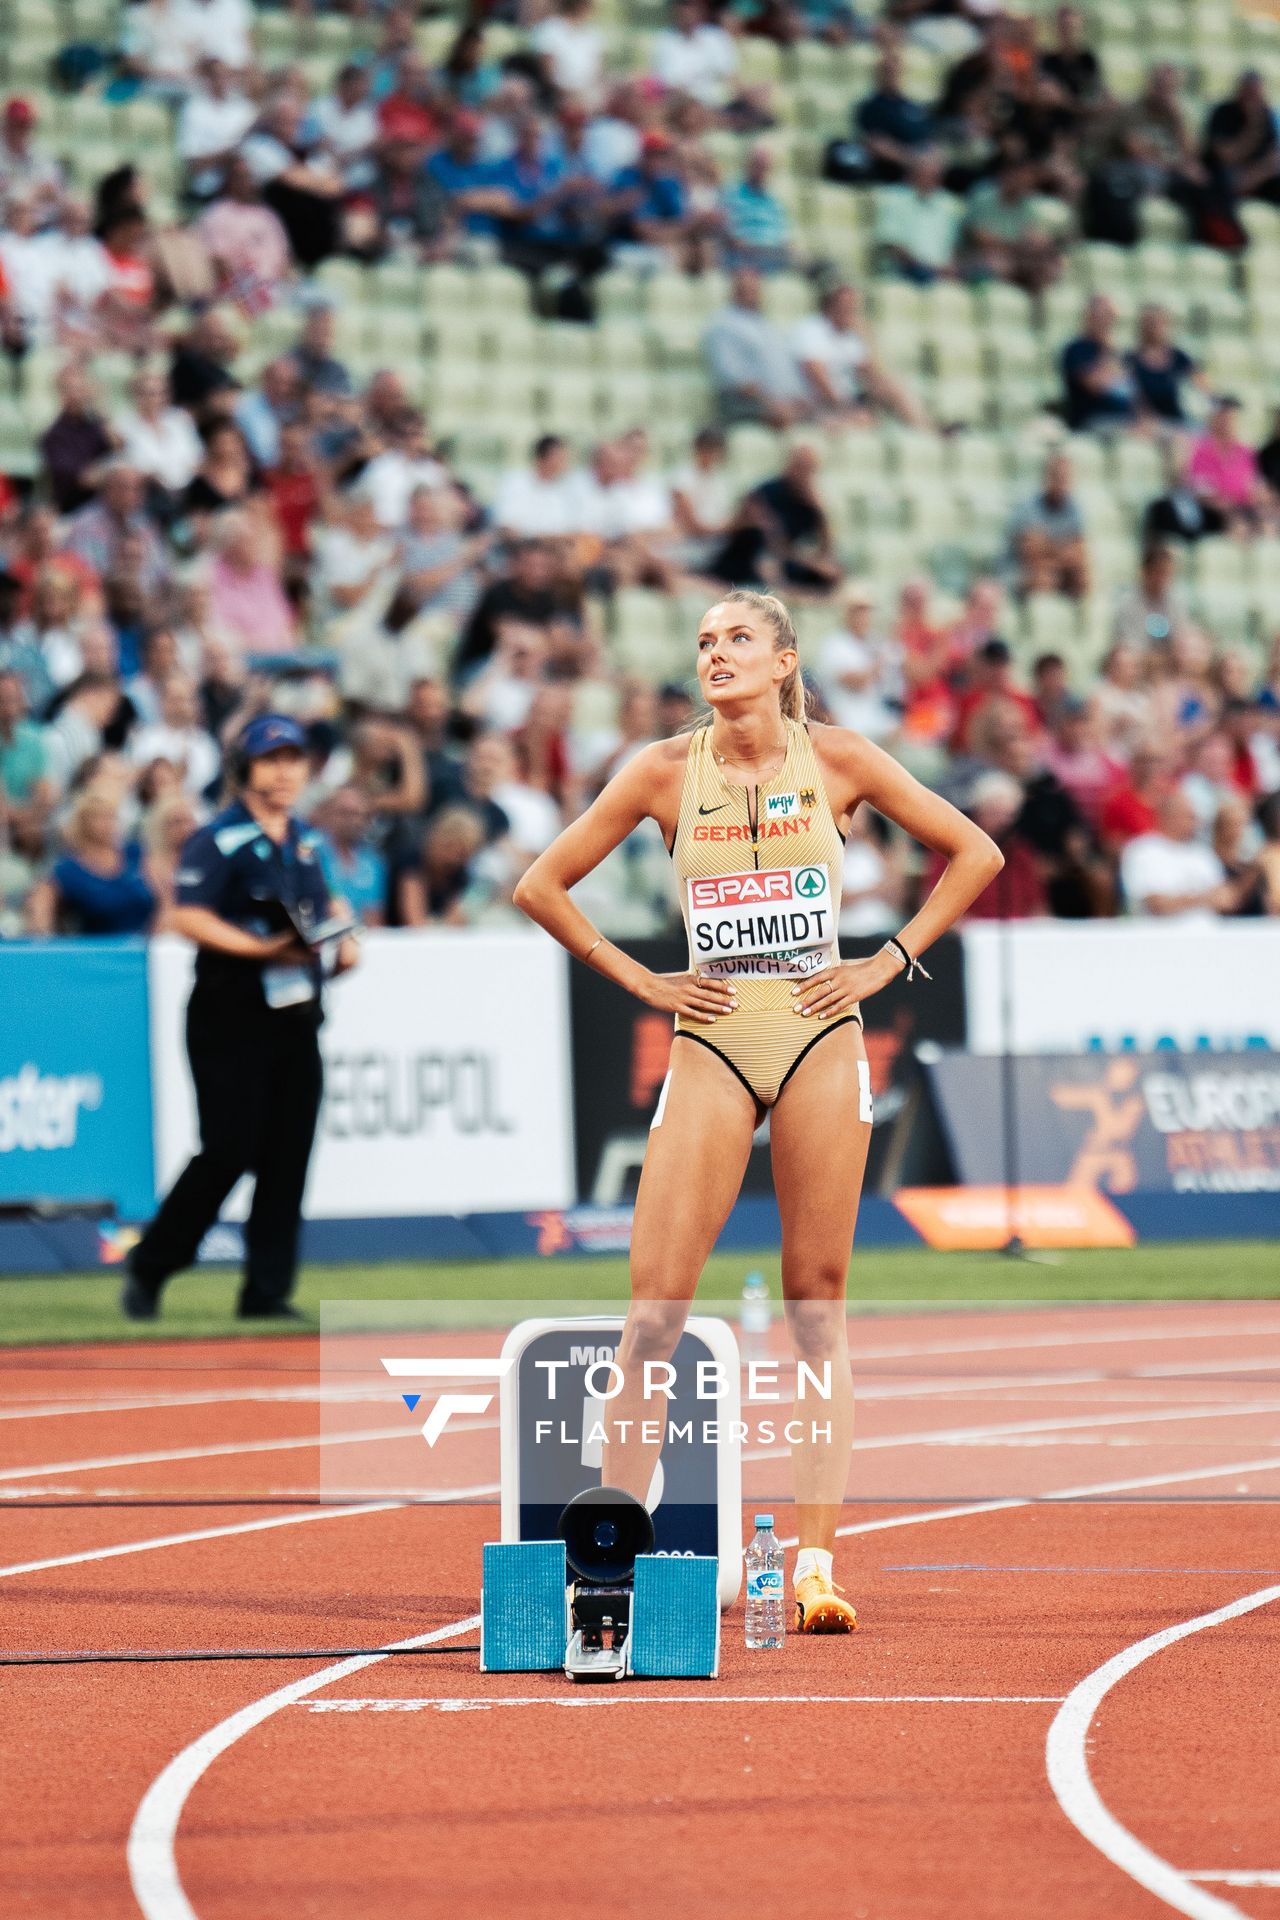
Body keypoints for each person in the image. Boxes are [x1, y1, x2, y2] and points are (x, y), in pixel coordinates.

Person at [512, 589, 1001, 1632]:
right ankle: (610, 1555)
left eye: (737, 638)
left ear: (784, 660)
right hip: (711, 1040)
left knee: (814, 1305)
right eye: (702, 641)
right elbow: (541, 885)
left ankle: (815, 1564)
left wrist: (888, 959)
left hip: (822, 1030)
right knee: (652, 1314)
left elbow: (976, 854)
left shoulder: (839, 758)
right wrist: (640, 980)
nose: (714, 654)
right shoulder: (657, 771)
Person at [121, 715, 359, 1322]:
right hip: (230, 1012)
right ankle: (153, 1264)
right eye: (271, 759)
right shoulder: (218, 838)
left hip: (296, 1014)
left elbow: (324, 901)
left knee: (288, 1155)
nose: (284, 771)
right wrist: (261, 950)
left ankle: (266, 1291)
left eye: (293, 758)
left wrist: (344, 933)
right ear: (244, 769)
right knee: (228, 1149)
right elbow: (186, 916)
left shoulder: (305, 839)